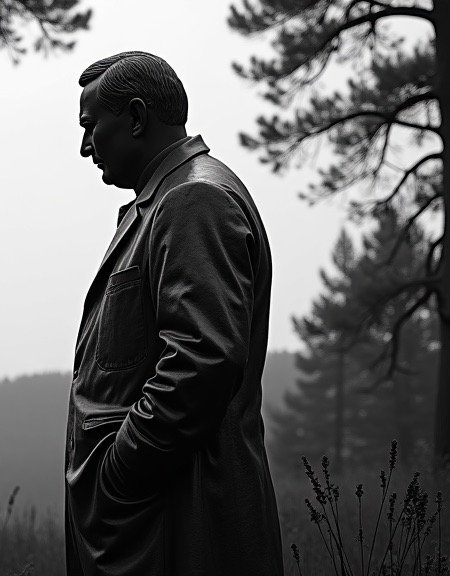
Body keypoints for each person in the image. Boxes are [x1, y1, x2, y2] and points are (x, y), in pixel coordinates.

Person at [64, 51, 284, 575]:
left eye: (91, 126)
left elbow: (201, 362)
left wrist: (116, 475)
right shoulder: (167, 200)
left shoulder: (194, 200)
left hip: (182, 529)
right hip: (160, 527)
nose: (83, 147)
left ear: (136, 118)